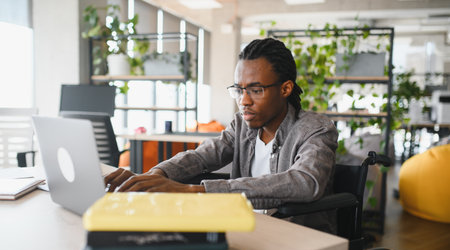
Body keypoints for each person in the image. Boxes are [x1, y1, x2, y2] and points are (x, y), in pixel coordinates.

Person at [105, 38, 338, 233]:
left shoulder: (316, 129)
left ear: (285, 89)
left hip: (296, 241)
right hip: (245, 230)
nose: (244, 101)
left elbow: (305, 182)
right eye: (239, 89)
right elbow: (201, 157)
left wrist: (195, 191)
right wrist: (155, 176)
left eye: (256, 90)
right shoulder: (242, 126)